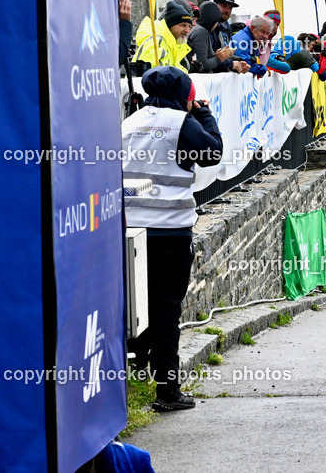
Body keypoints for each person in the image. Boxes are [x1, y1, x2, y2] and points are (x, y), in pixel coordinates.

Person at [123, 67, 222, 411]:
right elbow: (211, 153)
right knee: (166, 310)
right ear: (184, 94)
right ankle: (167, 391)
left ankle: (136, 369)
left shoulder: (131, 122)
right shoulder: (181, 122)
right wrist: (205, 114)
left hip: (131, 232)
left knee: (137, 307)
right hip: (170, 231)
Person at [133, 0, 194, 74]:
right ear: (170, 25)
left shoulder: (173, 42)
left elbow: (176, 68)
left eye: (189, 26)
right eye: (183, 25)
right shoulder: (156, 41)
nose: (187, 30)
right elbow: (164, 74)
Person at [187, 2, 248, 74]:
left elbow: (209, 57)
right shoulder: (201, 32)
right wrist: (220, 58)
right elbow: (203, 63)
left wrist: (227, 56)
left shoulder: (202, 30)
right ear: (213, 21)